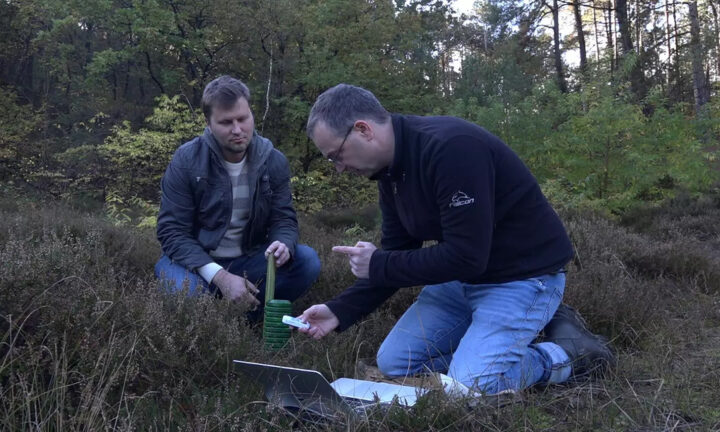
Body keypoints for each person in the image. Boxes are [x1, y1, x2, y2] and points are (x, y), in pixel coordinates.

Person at [297, 84, 614, 396]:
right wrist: (338, 310)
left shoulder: (452, 148)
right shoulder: (389, 173)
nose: (338, 168)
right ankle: (493, 349)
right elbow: (397, 256)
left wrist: (379, 262)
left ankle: (566, 355)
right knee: (394, 364)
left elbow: (467, 255)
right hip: (463, 281)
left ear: (363, 129)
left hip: (523, 278)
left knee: (471, 387)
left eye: (337, 155)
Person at [154, 76, 320, 314]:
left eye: (243, 119)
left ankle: (250, 322)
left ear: (251, 114)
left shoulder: (273, 160)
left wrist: (283, 243)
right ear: (209, 124)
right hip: (191, 264)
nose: (237, 130)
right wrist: (221, 277)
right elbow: (171, 231)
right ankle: (216, 321)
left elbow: (283, 218)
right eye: (226, 122)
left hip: (249, 259)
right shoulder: (186, 161)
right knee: (186, 294)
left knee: (307, 261)